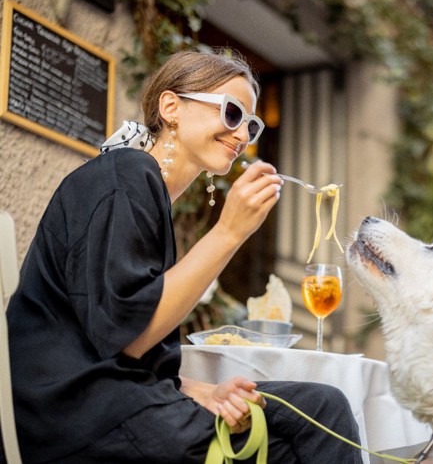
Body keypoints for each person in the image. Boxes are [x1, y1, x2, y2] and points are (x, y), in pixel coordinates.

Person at [4, 50, 362, 464]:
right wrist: (229, 232)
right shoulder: (125, 176)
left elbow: (122, 345)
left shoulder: (140, 188)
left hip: (113, 400)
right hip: (79, 416)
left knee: (322, 408)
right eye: (231, 113)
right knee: (306, 435)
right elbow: (130, 337)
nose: (243, 134)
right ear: (171, 107)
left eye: (251, 123)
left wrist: (202, 391)